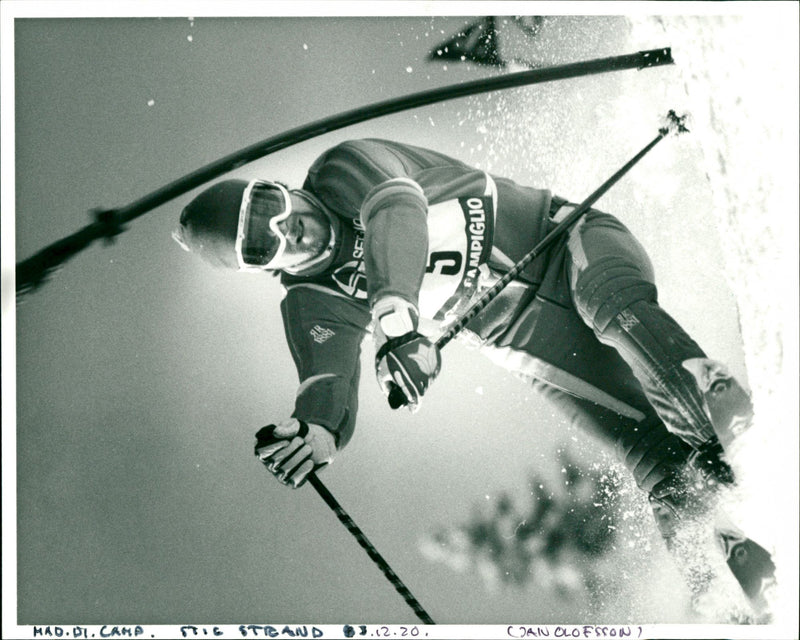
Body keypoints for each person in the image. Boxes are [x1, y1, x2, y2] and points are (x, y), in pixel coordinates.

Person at [172, 138, 764, 612]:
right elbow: (324, 376)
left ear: (280, 188)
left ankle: (725, 425)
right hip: (532, 345)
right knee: (652, 459)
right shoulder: (311, 299)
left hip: (564, 242)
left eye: (271, 209)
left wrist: (396, 321)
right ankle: (724, 582)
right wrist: (318, 432)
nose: (286, 229)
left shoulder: (342, 171)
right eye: (259, 245)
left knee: (610, 307)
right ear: (264, 267)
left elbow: (395, 208)